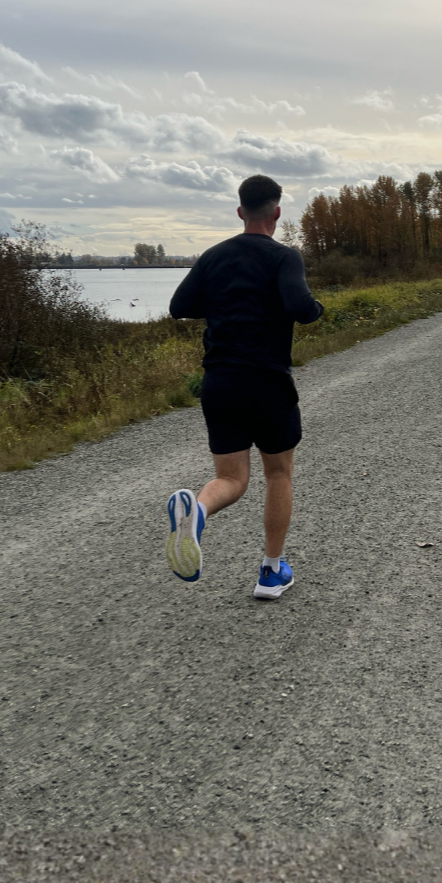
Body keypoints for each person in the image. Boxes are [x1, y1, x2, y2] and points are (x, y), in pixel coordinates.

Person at [165, 174, 324, 599]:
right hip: (268, 382)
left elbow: (179, 306)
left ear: (240, 212)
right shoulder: (284, 257)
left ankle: (196, 513)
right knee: (278, 473)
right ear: (276, 212)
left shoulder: (215, 256)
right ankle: (271, 573)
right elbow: (300, 308)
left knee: (231, 478)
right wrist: (315, 307)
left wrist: (223, 302)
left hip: (220, 382)